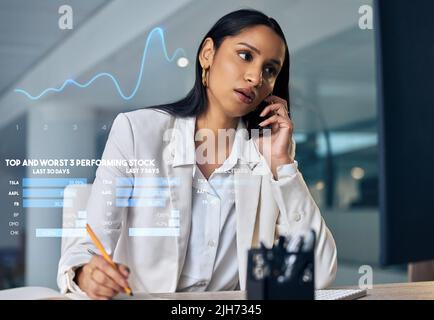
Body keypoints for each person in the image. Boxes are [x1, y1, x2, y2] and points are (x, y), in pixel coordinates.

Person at [58, 9, 337, 300]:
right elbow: (86, 247)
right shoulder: (137, 132)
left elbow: (319, 271)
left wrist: (282, 165)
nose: (256, 77)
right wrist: (85, 274)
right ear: (207, 54)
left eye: (270, 70)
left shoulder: (268, 152)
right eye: (245, 55)